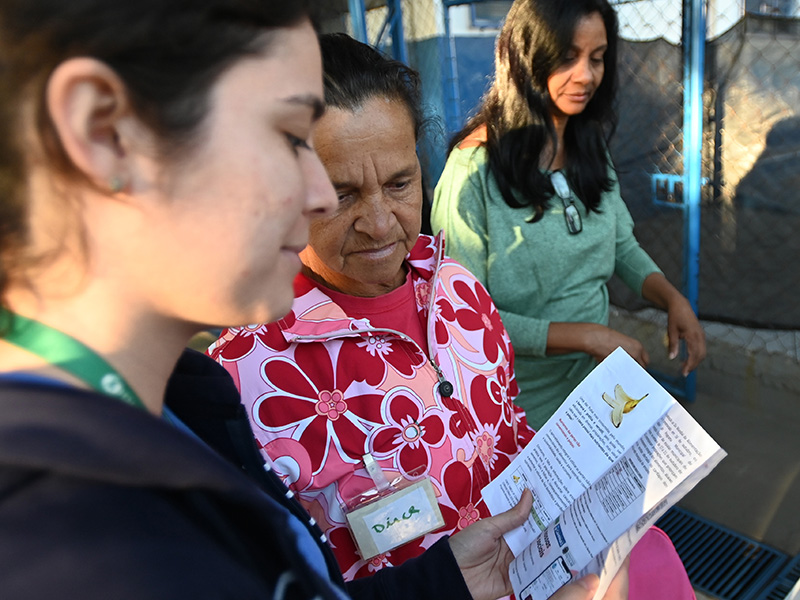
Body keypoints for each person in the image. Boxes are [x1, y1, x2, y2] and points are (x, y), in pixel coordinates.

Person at [0, 2, 625, 599]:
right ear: (103, 131)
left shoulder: (189, 410)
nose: (320, 195)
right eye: (288, 134)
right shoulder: (83, 545)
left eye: (401, 181)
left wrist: (446, 583)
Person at [208, 31, 535, 583]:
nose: (381, 223)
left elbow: (510, 430)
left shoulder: (458, 290)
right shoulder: (244, 378)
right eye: (342, 195)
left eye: (400, 183)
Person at [431, 0, 707, 430]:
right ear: (524, 58)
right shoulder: (472, 171)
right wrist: (587, 336)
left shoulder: (588, 147)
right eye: (567, 58)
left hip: (599, 390)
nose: (586, 75)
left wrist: (672, 299)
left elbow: (621, 245)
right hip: (516, 408)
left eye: (597, 59)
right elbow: (465, 318)